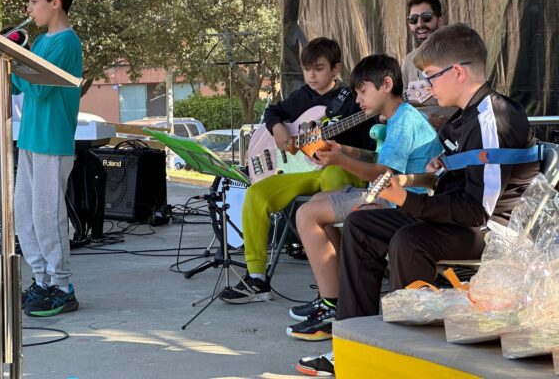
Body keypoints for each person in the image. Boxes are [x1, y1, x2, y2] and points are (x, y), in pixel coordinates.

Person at [298, 24, 539, 377]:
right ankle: (353, 341)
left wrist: (407, 200)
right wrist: (434, 172)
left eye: (431, 76)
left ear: (457, 72)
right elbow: (451, 180)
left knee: (409, 240)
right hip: (457, 219)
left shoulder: (493, 118)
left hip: (493, 232)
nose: (427, 86)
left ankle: (405, 355)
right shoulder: (461, 118)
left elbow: (479, 212)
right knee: (363, 223)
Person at [288, 54, 442, 341]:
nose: (358, 99)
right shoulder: (399, 118)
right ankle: (335, 294)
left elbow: (384, 174)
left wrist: (339, 161)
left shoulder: (405, 119)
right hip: (393, 194)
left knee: (307, 214)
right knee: (316, 202)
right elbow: (380, 160)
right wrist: (342, 151)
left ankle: (331, 303)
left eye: (362, 91)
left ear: (386, 84)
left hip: (402, 202)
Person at [220, 38, 377, 304]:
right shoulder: (302, 96)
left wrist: (344, 149)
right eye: (307, 69)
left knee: (333, 177)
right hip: (302, 171)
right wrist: (279, 128)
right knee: (256, 194)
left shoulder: (353, 101)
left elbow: (369, 148)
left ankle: (338, 276)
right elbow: (273, 112)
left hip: (339, 168)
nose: (311, 75)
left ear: (336, 69)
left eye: (319, 68)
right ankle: (256, 278)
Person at [14, 0, 83, 317]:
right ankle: (41, 278)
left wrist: (10, 65)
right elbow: (19, 86)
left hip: (52, 141)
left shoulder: (67, 42)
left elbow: (39, 88)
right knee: (24, 214)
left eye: (34, 2)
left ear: (56, 3)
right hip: (29, 138)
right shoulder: (40, 42)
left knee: (47, 215)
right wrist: (0, 64)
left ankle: (61, 284)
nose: (29, 10)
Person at [401, 0, 456, 127]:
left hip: (452, 132)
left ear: (440, 21)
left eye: (426, 18)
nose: (420, 24)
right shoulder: (409, 60)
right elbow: (401, 102)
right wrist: (422, 119)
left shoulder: (456, 54)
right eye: (413, 19)